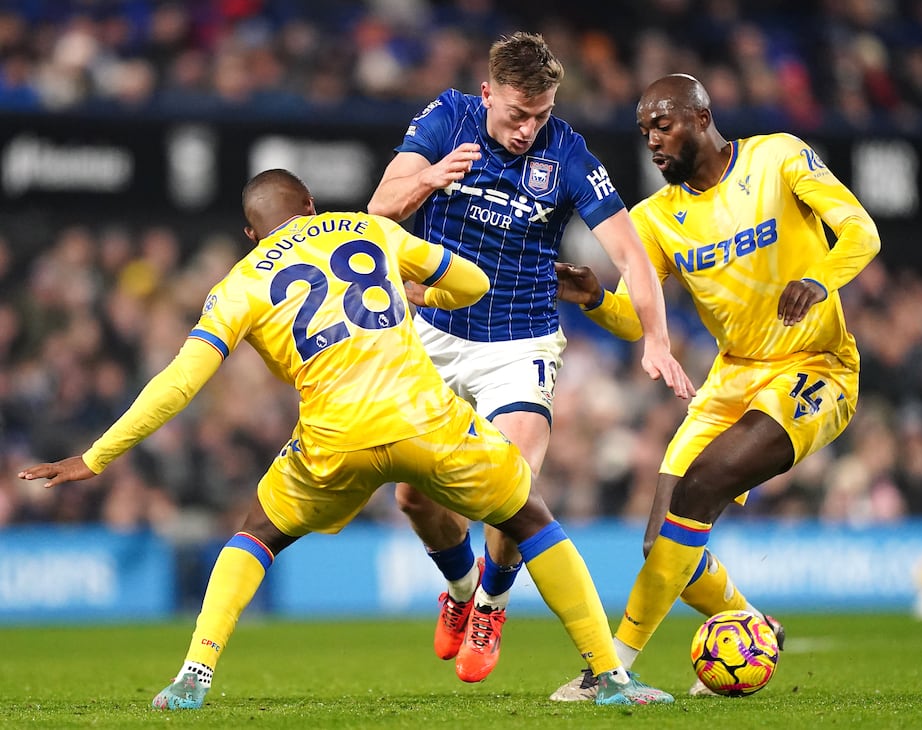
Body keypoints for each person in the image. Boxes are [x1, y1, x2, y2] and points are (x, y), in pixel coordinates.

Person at [17, 169, 675, 709]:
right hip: (424, 420)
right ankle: (609, 676)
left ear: (251, 233)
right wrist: (422, 297)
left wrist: (96, 457)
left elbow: (179, 383)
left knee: (256, 534)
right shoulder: (368, 229)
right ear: (310, 204)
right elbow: (474, 282)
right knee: (529, 518)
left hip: (333, 440)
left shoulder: (239, 283)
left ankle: (194, 674)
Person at [366, 31, 692, 684]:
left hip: (521, 339)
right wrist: (430, 176)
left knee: (511, 483)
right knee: (412, 497)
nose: (527, 130)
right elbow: (380, 208)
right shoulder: (447, 118)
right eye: (517, 114)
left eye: (540, 115)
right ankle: (460, 589)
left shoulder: (567, 153)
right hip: (433, 331)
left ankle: (491, 604)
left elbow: (631, 254)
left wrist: (655, 337)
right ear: (488, 93)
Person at [549, 73, 881, 700]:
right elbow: (637, 319)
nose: (652, 140)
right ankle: (755, 628)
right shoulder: (655, 218)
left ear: (701, 118)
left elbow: (862, 231)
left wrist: (820, 280)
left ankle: (610, 668)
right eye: (644, 130)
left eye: (663, 125)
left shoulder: (777, 157)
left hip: (816, 365)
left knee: (700, 486)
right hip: (733, 375)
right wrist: (594, 299)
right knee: (661, 543)